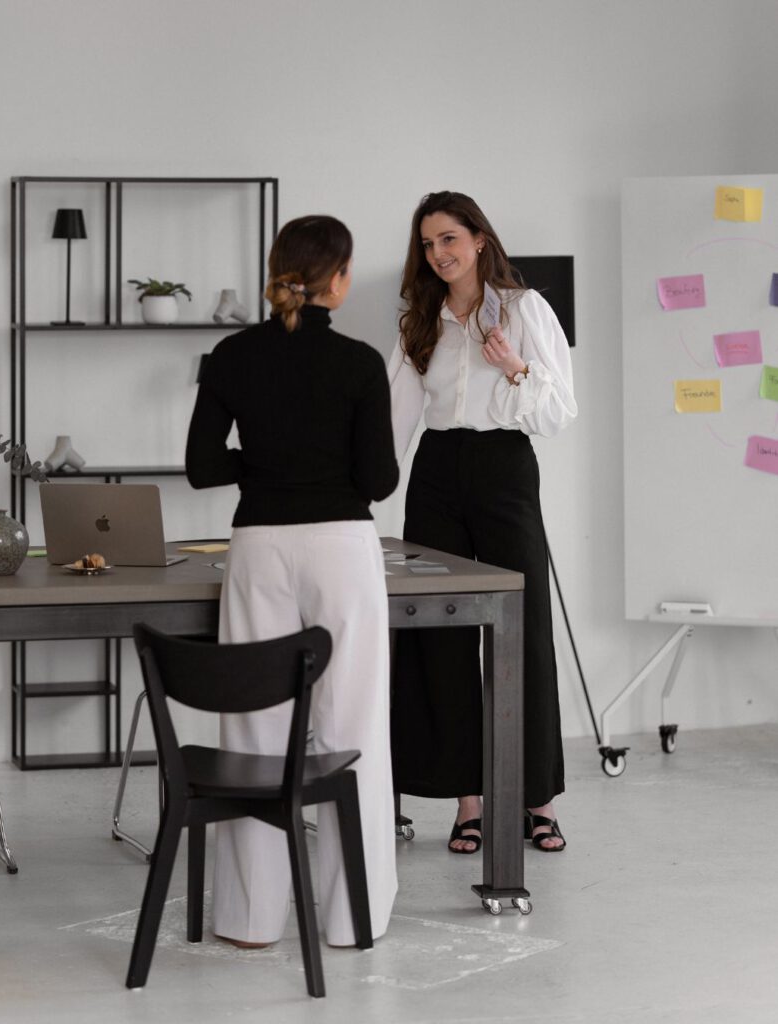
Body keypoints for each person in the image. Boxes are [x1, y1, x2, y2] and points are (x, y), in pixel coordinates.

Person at [185, 214, 399, 947]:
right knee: (353, 726)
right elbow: (378, 479)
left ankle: (249, 920)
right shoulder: (361, 362)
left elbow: (203, 468)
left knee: (253, 729)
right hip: (340, 546)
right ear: (335, 280)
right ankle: (351, 920)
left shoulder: (229, 355)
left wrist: (265, 467)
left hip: (258, 548)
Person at [387, 191, 577, 854]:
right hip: (436, 473)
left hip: (503, 470)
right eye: (428, 244)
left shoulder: (524, 310)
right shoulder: (421, 321)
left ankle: (536, 798)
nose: (439, 254)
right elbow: (395, 421)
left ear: (477, 238)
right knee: (438, 633)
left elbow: (558, 412)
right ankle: (466, 798)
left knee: (521, 631)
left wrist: (514, 367)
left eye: (448, 239)